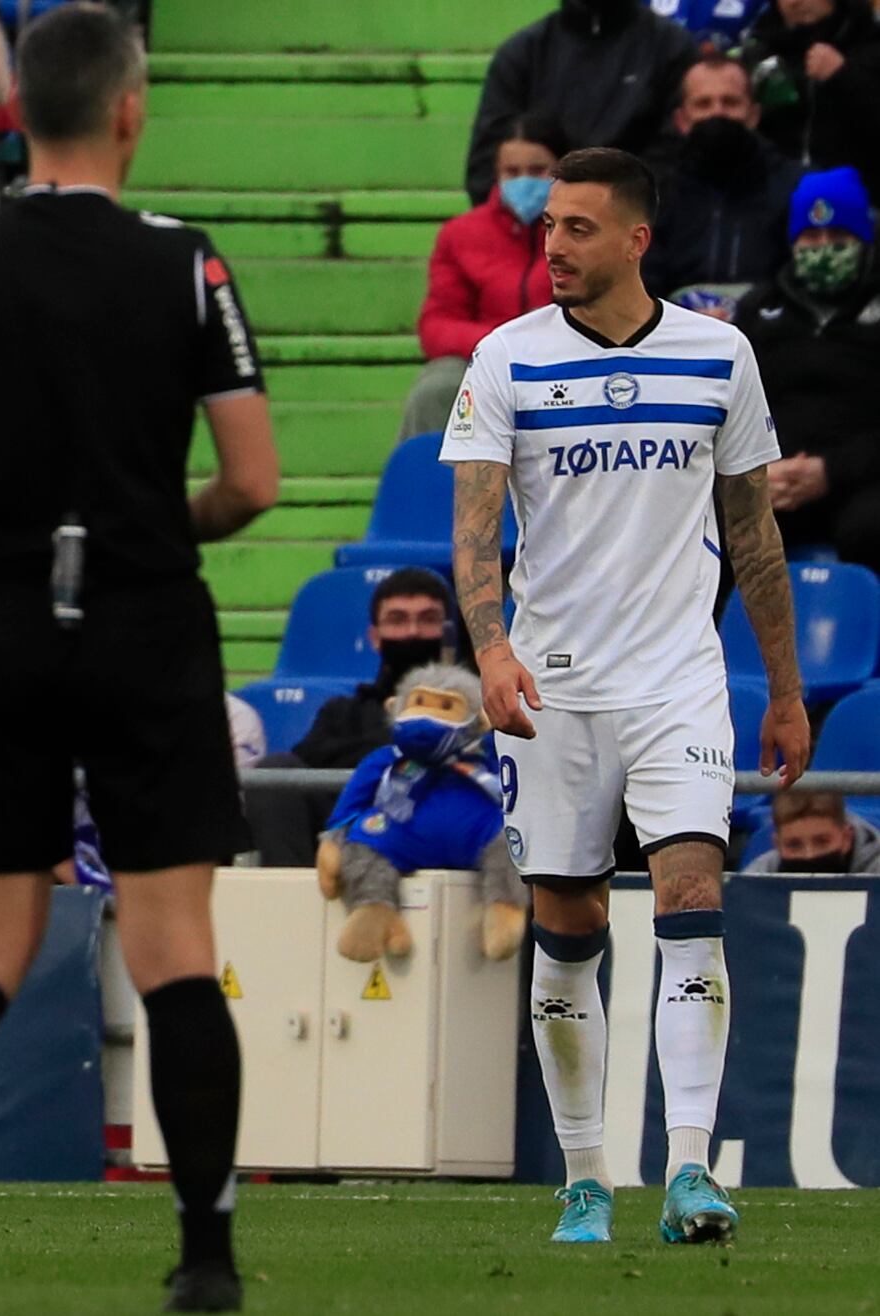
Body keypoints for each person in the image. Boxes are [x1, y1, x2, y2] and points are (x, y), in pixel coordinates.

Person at [0, 6, 278, 1310]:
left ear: (17, 117)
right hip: (141, 611)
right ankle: (202, 1261)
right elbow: (249, 482)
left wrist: (2, 533)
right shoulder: (187, 266)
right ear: (130, 110)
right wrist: (144, 526)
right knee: (171, 938)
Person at [445, 146, 808, 1248]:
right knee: (572, 920)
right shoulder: (505, 358)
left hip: (677, 678)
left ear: (638, 239)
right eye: (548, 225)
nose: (552, 244)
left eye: (578, 228)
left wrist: (784, 689)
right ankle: (589, 1175)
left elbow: (753, 531)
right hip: (552, 685)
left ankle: (691, 1168)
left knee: (692, 893)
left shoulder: (720, 354)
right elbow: (473, 528)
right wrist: (492, 649)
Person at [243, 568, 459, 866]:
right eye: (397, 620)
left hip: (438, 836)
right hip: (346, 837)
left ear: (448, 633)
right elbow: (303, 773)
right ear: (374, 637)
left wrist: (357, 755)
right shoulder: (341, 713)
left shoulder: (475, 712)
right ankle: (292, 901)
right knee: (275, 771)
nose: (412, 632)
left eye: (428, 619)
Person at [733, 168, 880, 566]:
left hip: (863, 479)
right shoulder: (759, 309)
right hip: (773, 478)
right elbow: (731, 404)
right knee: (719, 526)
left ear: (864, 241)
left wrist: (832, 470)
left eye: (839, 238)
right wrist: (758, 473)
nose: (823, 248)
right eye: (811, 237)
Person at [403, 115, 564, 440]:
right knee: (437, 388)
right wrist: (502, 345)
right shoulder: (461, 235)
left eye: (537, 171)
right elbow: (437, 325)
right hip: (483, 361)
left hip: (564, 362)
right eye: (512, 172)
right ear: (496, 174)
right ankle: (426, 488)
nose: (523, 181)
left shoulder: (584, 232)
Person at [464, 0, 696, 205]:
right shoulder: (523, 54)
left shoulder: (670, 48)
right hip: (537, 240)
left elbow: (678, 157)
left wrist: (617, 213)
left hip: (640, 237)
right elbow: (486, 167)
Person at [644, 54, 804, 300]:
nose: (717, 113)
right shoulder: (654, 193)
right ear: (681, 120)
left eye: (730, 102)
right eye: (703, 104)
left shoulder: (796, 187)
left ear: (753, 115)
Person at [741, 0, 880, 196]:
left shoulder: (870, 45)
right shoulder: (759, 50)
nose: (795, 2)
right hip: (776, 198)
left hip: (859, 196)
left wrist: (843, 76)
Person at [744, 789, 880, 873]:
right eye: (794, 845)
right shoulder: (761, 873)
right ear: (777, 844)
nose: (809, 855)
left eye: (822, 842)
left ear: (846, 837)